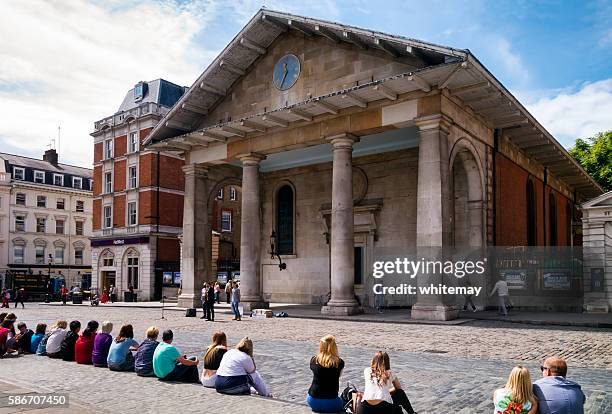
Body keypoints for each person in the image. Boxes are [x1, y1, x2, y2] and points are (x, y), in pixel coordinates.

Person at [307, 335, 345, 412]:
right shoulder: (339, 362)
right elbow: (339, 375)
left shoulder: (314, 360)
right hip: (331, 402)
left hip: (313, 401)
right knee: (344, 400)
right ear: (334, 347)